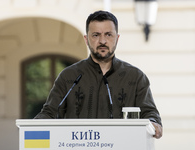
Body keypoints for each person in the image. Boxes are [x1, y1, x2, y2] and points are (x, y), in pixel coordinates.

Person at [34, 10, 163, 139]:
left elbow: (150, 113)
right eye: (96, 35)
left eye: (108, 35)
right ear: (86, 39)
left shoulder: (135, 77)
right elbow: (50, 113)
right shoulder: (69, 76)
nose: (102, 41)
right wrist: (31, 127)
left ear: (117, 38)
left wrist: (154, 123)